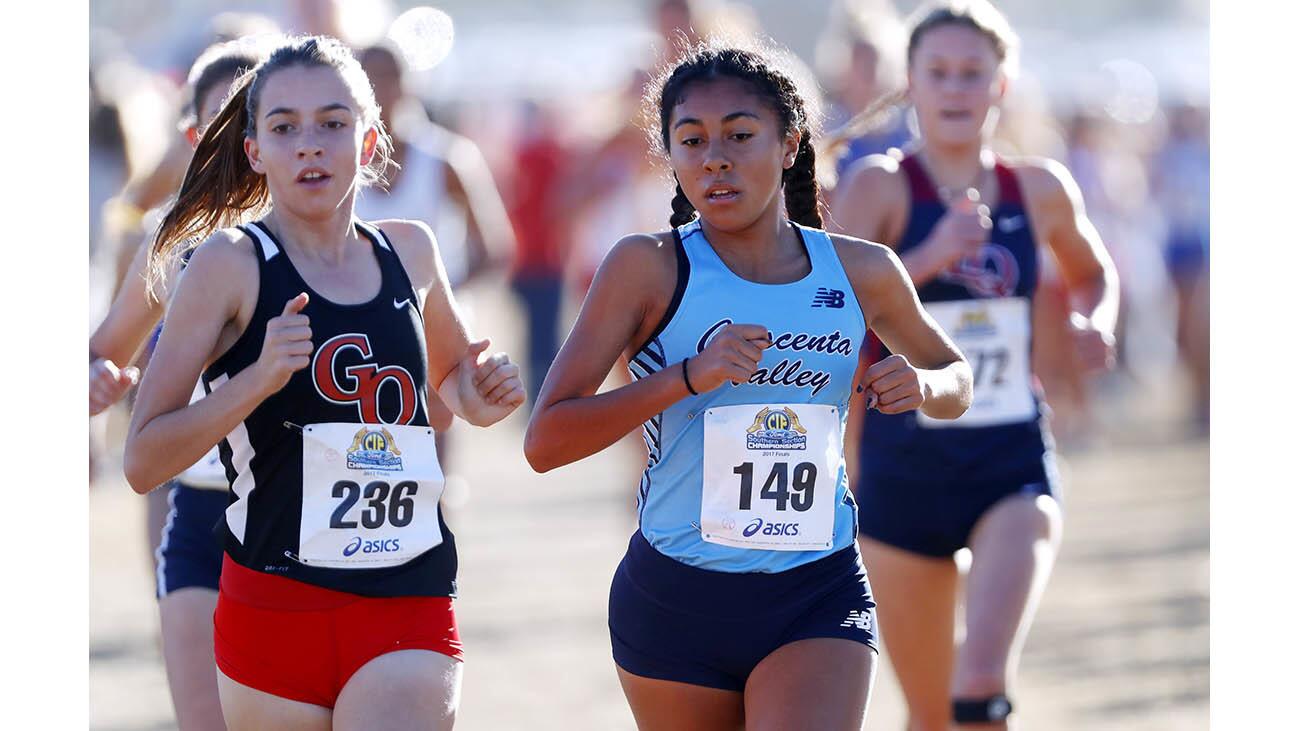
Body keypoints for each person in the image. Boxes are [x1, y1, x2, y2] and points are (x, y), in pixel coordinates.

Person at [524, 42, 973, 730]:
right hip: (676, 596)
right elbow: (546, 441)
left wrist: (923, 385)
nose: (715, 159)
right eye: (692, 140)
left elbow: (957, 377)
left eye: (740, 135)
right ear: (669, 155)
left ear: (789, 144)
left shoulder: (861, 270)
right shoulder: (646, 267)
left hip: (816, 588)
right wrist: (684, 377)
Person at [123, 36, 524, 730]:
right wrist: (252, 381)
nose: (310, 144)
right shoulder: (227, 263)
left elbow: (454, 383)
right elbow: (142, 458)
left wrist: (480, 392)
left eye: (333, 123)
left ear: (370, 141)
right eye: (284, 127)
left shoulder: (412, 249)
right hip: (273, 607)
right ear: (255, 151)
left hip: (407, 594)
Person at [830, 2, 1120, 728]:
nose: (956, 90)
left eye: (972, 73)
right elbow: (829, 310)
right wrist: (930, 257)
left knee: (980, 689)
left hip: (1008, 458)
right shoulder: (879, 186)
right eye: (938, 73)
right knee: (931, 716)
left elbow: (1093, 272)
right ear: (912, 84)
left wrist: (1094, 319)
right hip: (903, 465)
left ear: (1002, 83)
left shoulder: (1040, 188)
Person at [90, 41, 268, 731]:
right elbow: (104, 348)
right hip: (201, 509)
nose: (242, 140)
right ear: (195, 137)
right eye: (220, 122)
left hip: (313, 518)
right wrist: (96, 379)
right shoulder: (177, 237)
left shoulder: (345, 239)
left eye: (258, 117)